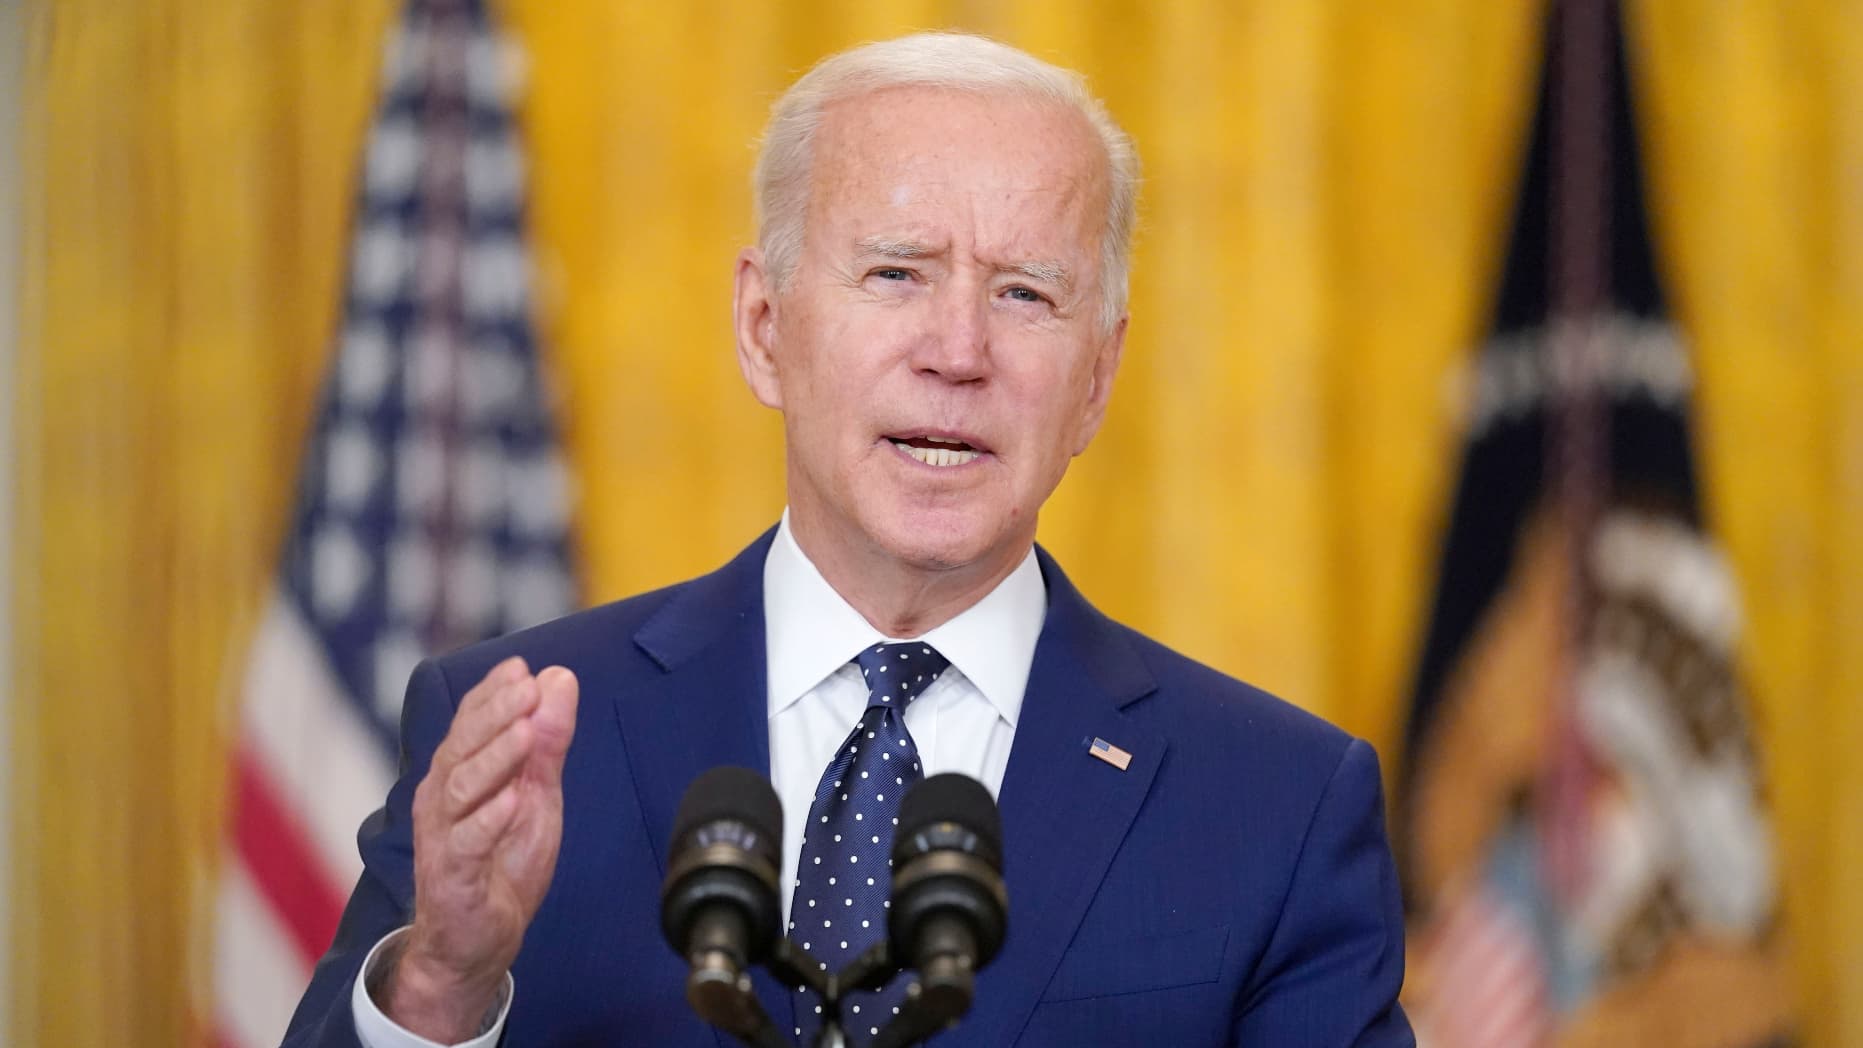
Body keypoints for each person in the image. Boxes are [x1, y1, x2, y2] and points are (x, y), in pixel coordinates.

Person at [283, 31, 1413, 1048]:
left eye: (1025, 294)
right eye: (896, 273)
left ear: (1098, 378)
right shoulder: (525, 741)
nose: (958, 350)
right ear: (764, 327)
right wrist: (443, 983)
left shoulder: (1275, 809)